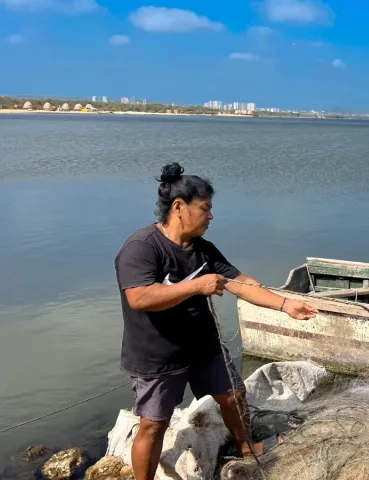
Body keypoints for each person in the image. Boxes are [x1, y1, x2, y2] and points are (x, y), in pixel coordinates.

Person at [114, 162, 318, 480]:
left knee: (234, 396)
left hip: (205, 349)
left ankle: (247, 449)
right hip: (157, 357)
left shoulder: (203, 250)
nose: (211, 216)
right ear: (179, 207)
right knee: (153, 425)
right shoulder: (142, 248)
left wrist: (285, 304)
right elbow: (139, 298)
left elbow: (241, 282)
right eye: (205, 208)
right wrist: (197, 285)